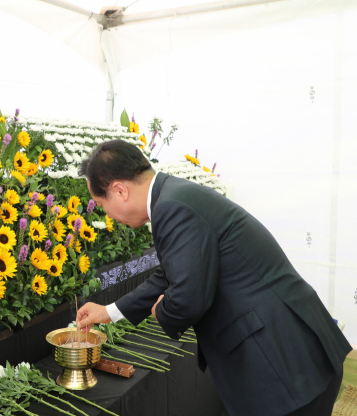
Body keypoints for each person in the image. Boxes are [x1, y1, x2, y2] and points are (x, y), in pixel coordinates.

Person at [75, 140, 351, 416]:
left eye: (101, 204)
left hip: (281, 365)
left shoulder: (171, 208)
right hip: (295, 352)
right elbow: (169, 275)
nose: (105, 214)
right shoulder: (174, 195)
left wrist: (163, 312)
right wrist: (110, 312)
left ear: (120, 190)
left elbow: (188, 299)